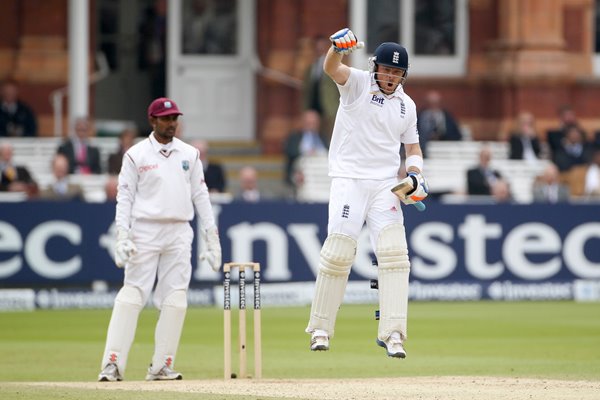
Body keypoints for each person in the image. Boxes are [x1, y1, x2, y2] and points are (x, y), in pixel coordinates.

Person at [305, 29, 428, 359]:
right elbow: (332, 68)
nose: (390, 77)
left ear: (404, 75)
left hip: (385, 184)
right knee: (339, 251)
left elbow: (412, 147)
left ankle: (393, 333)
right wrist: (335, 49)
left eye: (397, 72)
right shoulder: (358, 82)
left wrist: (415, 175)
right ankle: (320, 327)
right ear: (376, 67)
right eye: (386, 69)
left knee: (395, 254)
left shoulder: (407, 105)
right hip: (349, 178)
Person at [98, 97, 222, 382]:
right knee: (132, 295)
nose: (171, 124)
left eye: (174, 118)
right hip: (145, 230)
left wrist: (212, 239)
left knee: (176, 299)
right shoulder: (136, 155)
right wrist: (122, 235)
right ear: (152, 121)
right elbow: (124, 197)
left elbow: (201, 196)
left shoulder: (189, 154)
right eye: (165, 119)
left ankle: (161, 366)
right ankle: (112, 364)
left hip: (180, 231)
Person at [302, 35, 340, 144]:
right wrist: (305, 108)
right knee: (313, 137)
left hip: (329, 107)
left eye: (322, 47)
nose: (320, 50)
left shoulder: (334, 66)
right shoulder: (311, 68)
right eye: (317, 47)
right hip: (313, 107)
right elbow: (307, 90)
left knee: (330, 136)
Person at [283, 109, 327, 188]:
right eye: (309, 123)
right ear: (303, 123)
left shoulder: (323, 138)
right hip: (302, 174)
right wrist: (307, 153)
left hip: (322, 176)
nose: (311, 125)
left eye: (314, 123)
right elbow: (291, 152)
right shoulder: (295, 138)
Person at [417, 90, 461, 157]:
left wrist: (441, 136)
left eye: (435, 103)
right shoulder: (420, 116)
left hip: (444, 149)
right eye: (430, 103)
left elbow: (456, 135)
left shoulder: (447, 117)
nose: (433, 106)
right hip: (422, 148)